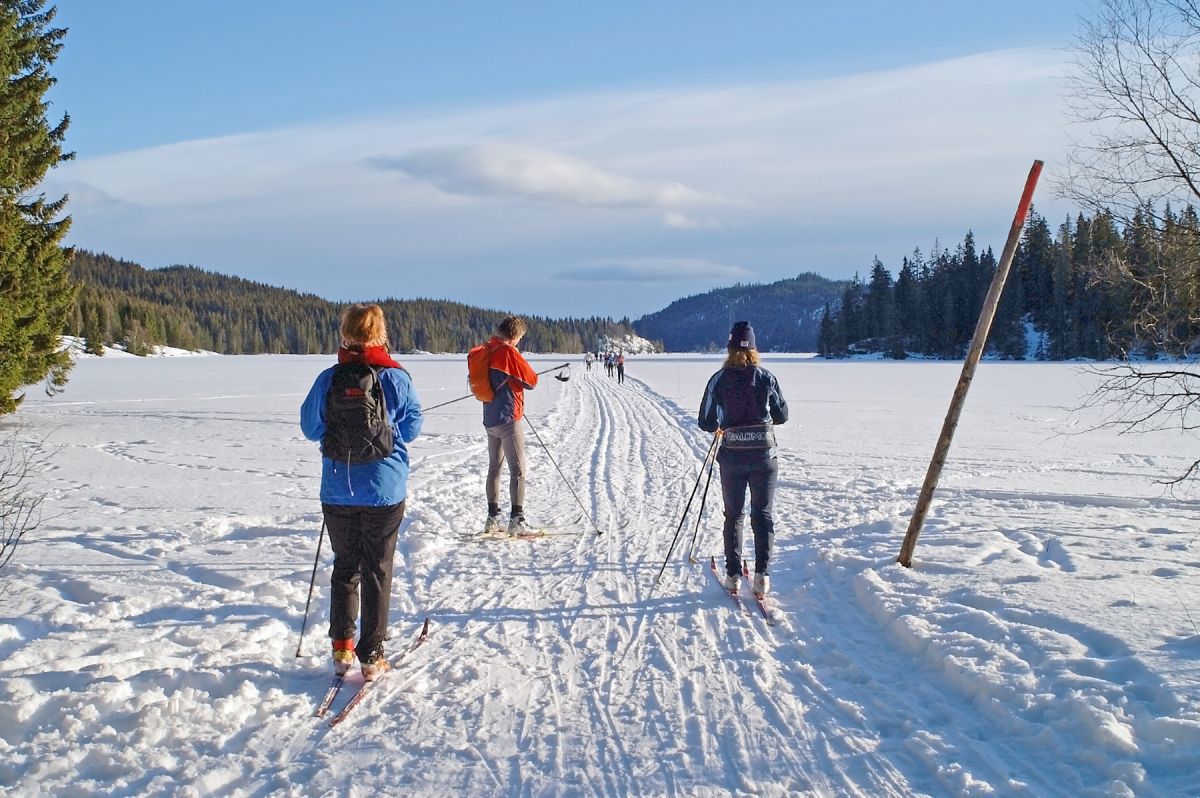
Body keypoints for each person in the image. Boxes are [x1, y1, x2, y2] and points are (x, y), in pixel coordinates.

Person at [300, 304, 422, 680]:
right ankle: (371, 655)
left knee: (345, 566)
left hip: (338, 488)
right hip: (384, 488)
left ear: (345, 333)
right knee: (377, 569)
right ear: (380, 334)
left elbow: (310, 428)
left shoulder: (329, 378)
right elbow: (412, 428)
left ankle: (341, 649)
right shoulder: (395, 378)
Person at [697, 321, 788, 597]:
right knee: (763, 515)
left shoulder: (719, 379)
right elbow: (782, 415)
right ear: (754, 349)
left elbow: (705, 421)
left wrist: (722, 424)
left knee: (734, 515)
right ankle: (762, 577)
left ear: (729, 348)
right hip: (764, 456)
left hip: (733, 457)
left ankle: (733, 575)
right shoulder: (766, 377)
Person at [480, 316, 539, 536]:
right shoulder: (508, 352)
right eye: (520, 337)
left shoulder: (488, 349)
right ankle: (517, 520)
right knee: (518, 470)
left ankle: (492, 519)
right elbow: (531, 380)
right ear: (514, 335)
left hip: (490, 419)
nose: (520, 341)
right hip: (508, 419)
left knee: (494, 469)